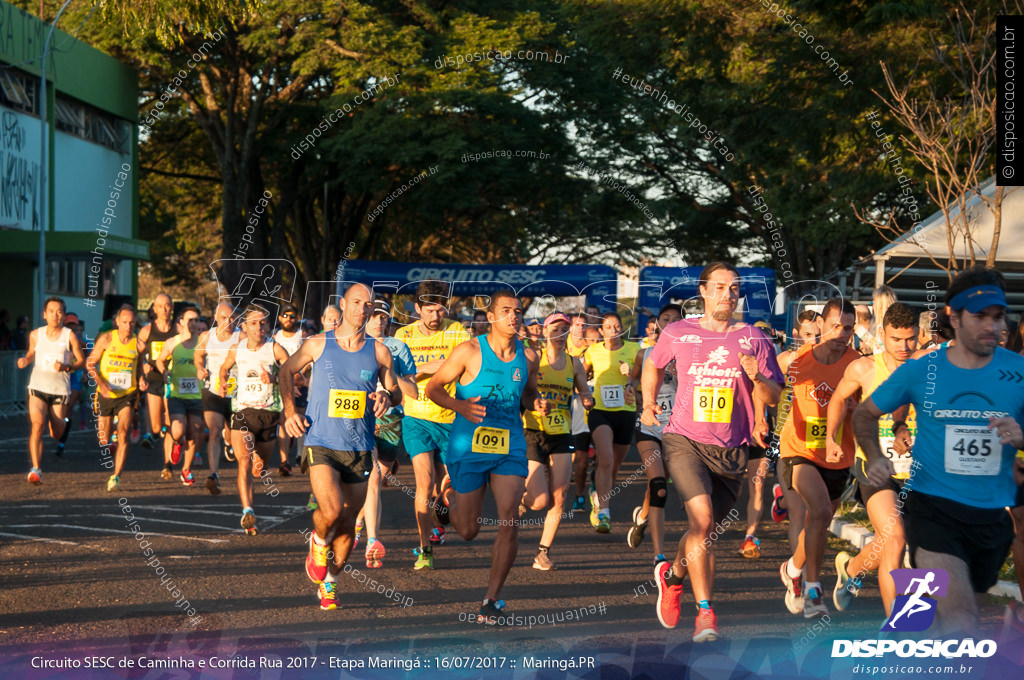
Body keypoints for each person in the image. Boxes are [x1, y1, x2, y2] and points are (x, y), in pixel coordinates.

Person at [854, 266, 1024, 636]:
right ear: (954, 316)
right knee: (962, 620)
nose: (992, 327)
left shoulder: (1019, 371)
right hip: (933, 511)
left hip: (991, 519)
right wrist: (876, 455)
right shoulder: (921, 371)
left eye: (998, 318)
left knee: (956, 621)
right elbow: (864, 414)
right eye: (980, 317)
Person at [643, 261, 782, 641]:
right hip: (683, 439)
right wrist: (648, 402)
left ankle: (672, 576)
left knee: (703, 532)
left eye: (734, 288)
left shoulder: (755, 337)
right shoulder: (678, 331)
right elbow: (652, 366)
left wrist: (757, 376)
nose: (728, 294)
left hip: (732, 450)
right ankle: (705, 614)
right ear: (703, 292)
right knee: (702, 522)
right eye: (719, 287)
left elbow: (773, 395)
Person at [282, 283, 401, 610]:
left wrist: (387, 396)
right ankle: (318, 541)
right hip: (322, 442)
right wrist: (290, 410)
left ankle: (330, 581)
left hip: (360, 446)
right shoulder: (319, 343)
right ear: (344, 305)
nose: (363, 309)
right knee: (332, 510)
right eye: (357, 302)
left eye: (369, 304)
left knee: (349, 524)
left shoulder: (379, 352)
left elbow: (395, 391)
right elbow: (286, 370)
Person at [426, 289, 542, 622]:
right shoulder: (469, 351)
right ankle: (447, 499)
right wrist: (459, 405)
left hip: (509, 446)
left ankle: (491, 600)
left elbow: (530, 394)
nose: (514, 316)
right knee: (468, 531)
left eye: (518, 311)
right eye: (506, 311)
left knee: (510, 520)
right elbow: (434, 387)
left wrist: (537, 404)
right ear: (490, 317)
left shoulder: (529, 356)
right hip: (468, 447)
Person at [826, 302, 918, 616]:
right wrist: (831, 437)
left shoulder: (930, 369)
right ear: (883, 334)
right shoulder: (865, 369)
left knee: (904, 546)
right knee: (895, 538)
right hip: (875, 467)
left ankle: (851, 570)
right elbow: (839, 398)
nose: (904, 347)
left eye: (910, 339)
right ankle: (898, 624)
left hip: (919, 473)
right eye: (896, 339)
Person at [778, 298, 859, 619]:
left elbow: (870, 408)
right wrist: (758, 417)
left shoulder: (858, 365)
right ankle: (813, 589)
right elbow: (768, 389)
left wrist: (856, 410)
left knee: (819, 522)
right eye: (836, 326)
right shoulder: (795, 360)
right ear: (822, 324)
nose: (842, 334)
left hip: (838, 454)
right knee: (822, 511)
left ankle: (793, 568)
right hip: (798, 450)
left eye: (849, 328)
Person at [393, 280, 471, 568]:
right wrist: (423, 368)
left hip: (451, 419)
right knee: (423, 484)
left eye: (440, 310)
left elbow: (467, 367)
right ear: (418, 309)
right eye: (430, 310)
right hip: (417, 418)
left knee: (454, 489)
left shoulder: (457, 331)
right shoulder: (404, 334)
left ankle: (441, 510)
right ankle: (425, 548)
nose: (436, 316)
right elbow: (397, 375)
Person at [521, 312, 594, 569]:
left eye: (565, 330)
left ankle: (543, 552)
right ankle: (522, 500)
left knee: (560, 495)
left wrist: (588, 400)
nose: (560, 334)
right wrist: (534, 404)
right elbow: (522, 393)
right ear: (544, 332)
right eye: (555, 329)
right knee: (539, 500)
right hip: (532, 431)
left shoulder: (574, 364)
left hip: (563, 434)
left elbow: (585, 391)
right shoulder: (534, 359)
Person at [217, 306, 290, 535]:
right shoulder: (237, 349)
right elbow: (223, 370)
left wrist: (276, 378)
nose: (259, 327)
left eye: (263, 323)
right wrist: (223, 384)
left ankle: (258, 473)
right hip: (243, 412)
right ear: (244, 327)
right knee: (245, 463)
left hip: (269, 415)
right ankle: (247, 511)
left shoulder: (275, 349)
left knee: (260, 469)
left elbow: (296, 375)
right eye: (254, 323)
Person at [357, 299, 418, 568]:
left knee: (378, 479)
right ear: (366, 317)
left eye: (384, 317)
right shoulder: (355, 344)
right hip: (362, 420)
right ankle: (373, 541)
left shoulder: (399, 347)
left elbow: (413, 391)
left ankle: (359, 520)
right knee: (372, 478)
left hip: (392, 422)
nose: (380, 321)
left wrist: (392, 377)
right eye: (375, 316)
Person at [626, 303, 683, 565]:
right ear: (657, 324)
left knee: (657, 489)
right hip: (649, 426)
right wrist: (630, 387)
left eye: (675, 319)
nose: (670, 323)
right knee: (660, 487)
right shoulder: (645, 353)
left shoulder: (689, 356)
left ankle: (643, 517)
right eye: (665, 319)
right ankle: (659, 557)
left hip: (676, 431)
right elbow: (635, 380)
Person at [582, 312, 641, 533]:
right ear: (601, 330)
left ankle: (598, 494)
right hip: (600, 412)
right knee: (605, 458)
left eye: (617, 327)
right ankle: (604, 512)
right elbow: (581, 374)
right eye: (609, 327)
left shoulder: (634, 350)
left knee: (613, 466)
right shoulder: (593, 351)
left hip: (626, 412)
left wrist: (631, 376)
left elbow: (643, 378)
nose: (613, 331)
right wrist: (583, 395)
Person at [18, 297, 85, 484]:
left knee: (56, 433)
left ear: (63, 315)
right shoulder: (35, 335)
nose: (55, 315)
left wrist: (66, 367)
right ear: (44, 314)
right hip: (38, 387)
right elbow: (31, 353)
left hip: (59, 390)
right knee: (37, 425)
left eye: (59, 311)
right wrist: (25, 360)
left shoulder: (69, 335)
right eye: (52, 311)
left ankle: (60, 422)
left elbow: (81, 361)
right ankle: (36, 469)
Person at [86, 304, 140, 491]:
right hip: (106, 393)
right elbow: (90, 363)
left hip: (127, 393)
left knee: (123, 432)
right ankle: (111, 440)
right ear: (117, 322)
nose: (128, 326)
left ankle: (115, 476)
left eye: (132, 322)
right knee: (103, 438)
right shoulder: (107, 338)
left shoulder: (137, 343)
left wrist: (142, 379)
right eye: (125, 322)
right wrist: (101, 383)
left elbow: (141, 367)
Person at [155, 307, 206, 487]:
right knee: (177, 430)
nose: (193, 324)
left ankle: (186, 470)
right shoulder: (172, 343)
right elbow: (160, 360)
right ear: (182, 322)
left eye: (196, 320)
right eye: (190, 320)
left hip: (196, 395)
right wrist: (164, 373)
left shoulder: (203, 342)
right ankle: (177, 442)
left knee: (193, 433)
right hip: (177, 394)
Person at [195, 302, 240, 495]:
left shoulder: (242, 336)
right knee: (214, 431)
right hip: (212, 391)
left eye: (231, 318)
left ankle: (228, 443)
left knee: (231, 435)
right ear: (216, 317)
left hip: (237, 394)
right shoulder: (207, 336)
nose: (228, 322)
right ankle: (213, 474)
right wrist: (199, 368)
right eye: (223, 318)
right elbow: (198, 354)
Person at [137, 294, 175, 476]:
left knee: (169, 422)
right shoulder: (146, 331)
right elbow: (136, 354)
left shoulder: (178, 330)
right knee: (156, 426)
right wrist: (141, 370)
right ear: (154, 309)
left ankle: (167, 463)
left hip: (171, 381)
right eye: (160, 306)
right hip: (153, 379)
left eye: (167, 305)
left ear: (172, 307)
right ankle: (152, 434)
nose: (164, 309)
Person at [274, 302, 307, 476]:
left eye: (292, 316)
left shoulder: (302, 336)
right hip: (282, 384)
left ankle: (301, 456)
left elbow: (309, 359)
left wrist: (302, 378)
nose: (288, 319)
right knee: (284, 420)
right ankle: (284, 460)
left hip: (300, 384)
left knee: (301, 419)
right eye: (285, 316)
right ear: (279, 318)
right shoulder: (275, 338)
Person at [567, 313, 595, 511]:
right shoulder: (571, 355)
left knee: (604, 457)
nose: (595, 343)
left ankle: (597, 486)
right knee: (581, 460)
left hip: (603, 411)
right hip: (578, 413)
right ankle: (579, 494)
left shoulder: (602, 353)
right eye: (577, 325)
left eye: (598, 340)